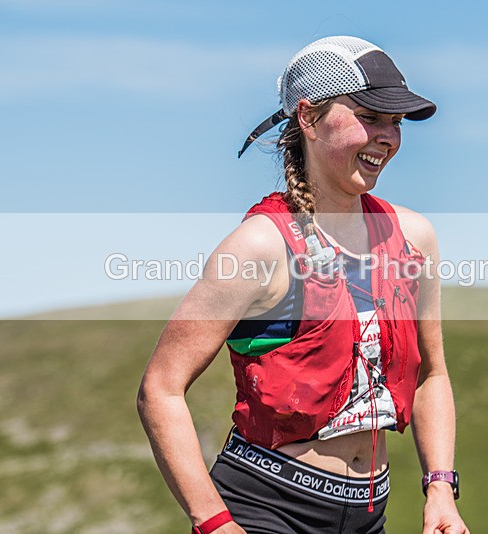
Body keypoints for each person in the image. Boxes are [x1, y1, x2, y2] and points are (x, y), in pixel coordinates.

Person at [137, 36, 469, 534]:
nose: (388, 137)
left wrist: (440, 488)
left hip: (369, 513)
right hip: (265, 509)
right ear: (309, 119)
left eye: (396, 123)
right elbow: (160, 390)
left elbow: (431, 377)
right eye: (370, 116)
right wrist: (216, 525)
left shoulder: (414, 237)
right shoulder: (259, 247)